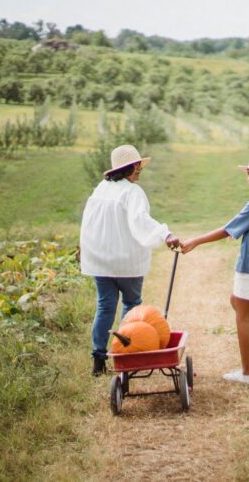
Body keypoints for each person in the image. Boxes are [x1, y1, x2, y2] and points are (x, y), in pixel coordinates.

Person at [182, 154, 249, 385]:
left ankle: (246, 374)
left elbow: (228, 230)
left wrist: (195, 241)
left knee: (242, 317)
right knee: (236, 301)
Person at [79, 144, 179, 375]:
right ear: (126, 169)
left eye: (139, 165)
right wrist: (166, 234)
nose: (139, 169)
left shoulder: (101, 189)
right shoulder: (132, 192)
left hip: (100, 261)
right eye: (135, 166)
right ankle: (128, 355)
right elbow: (140, 220)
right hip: (127, 262)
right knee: (132, 305)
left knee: (105, 306)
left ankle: (99, 358)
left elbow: (90, 224)